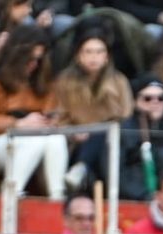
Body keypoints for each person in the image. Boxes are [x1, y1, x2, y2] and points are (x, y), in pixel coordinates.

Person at [0, 24, 69, 200]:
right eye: (30, 58)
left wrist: (51, 121)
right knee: (36, 141)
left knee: (56, 139)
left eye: (38, 59)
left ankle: (57, 197)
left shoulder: (42, 77)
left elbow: (52, 111)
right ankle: (11, 193)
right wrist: (18, 124)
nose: (34, 64)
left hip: (37, 135)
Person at [54, 23, 134, 191]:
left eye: (99, 52)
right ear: (78, 55)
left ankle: (81, 168)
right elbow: (58, 118)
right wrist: (73, 133)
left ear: (106, 56)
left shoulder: (119, 81)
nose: (94, 57)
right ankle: (80, 168)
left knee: (103, 132)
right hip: (76, 142)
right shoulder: (64, 81)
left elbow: (127, 116)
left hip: (111, 142)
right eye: (88, 52)